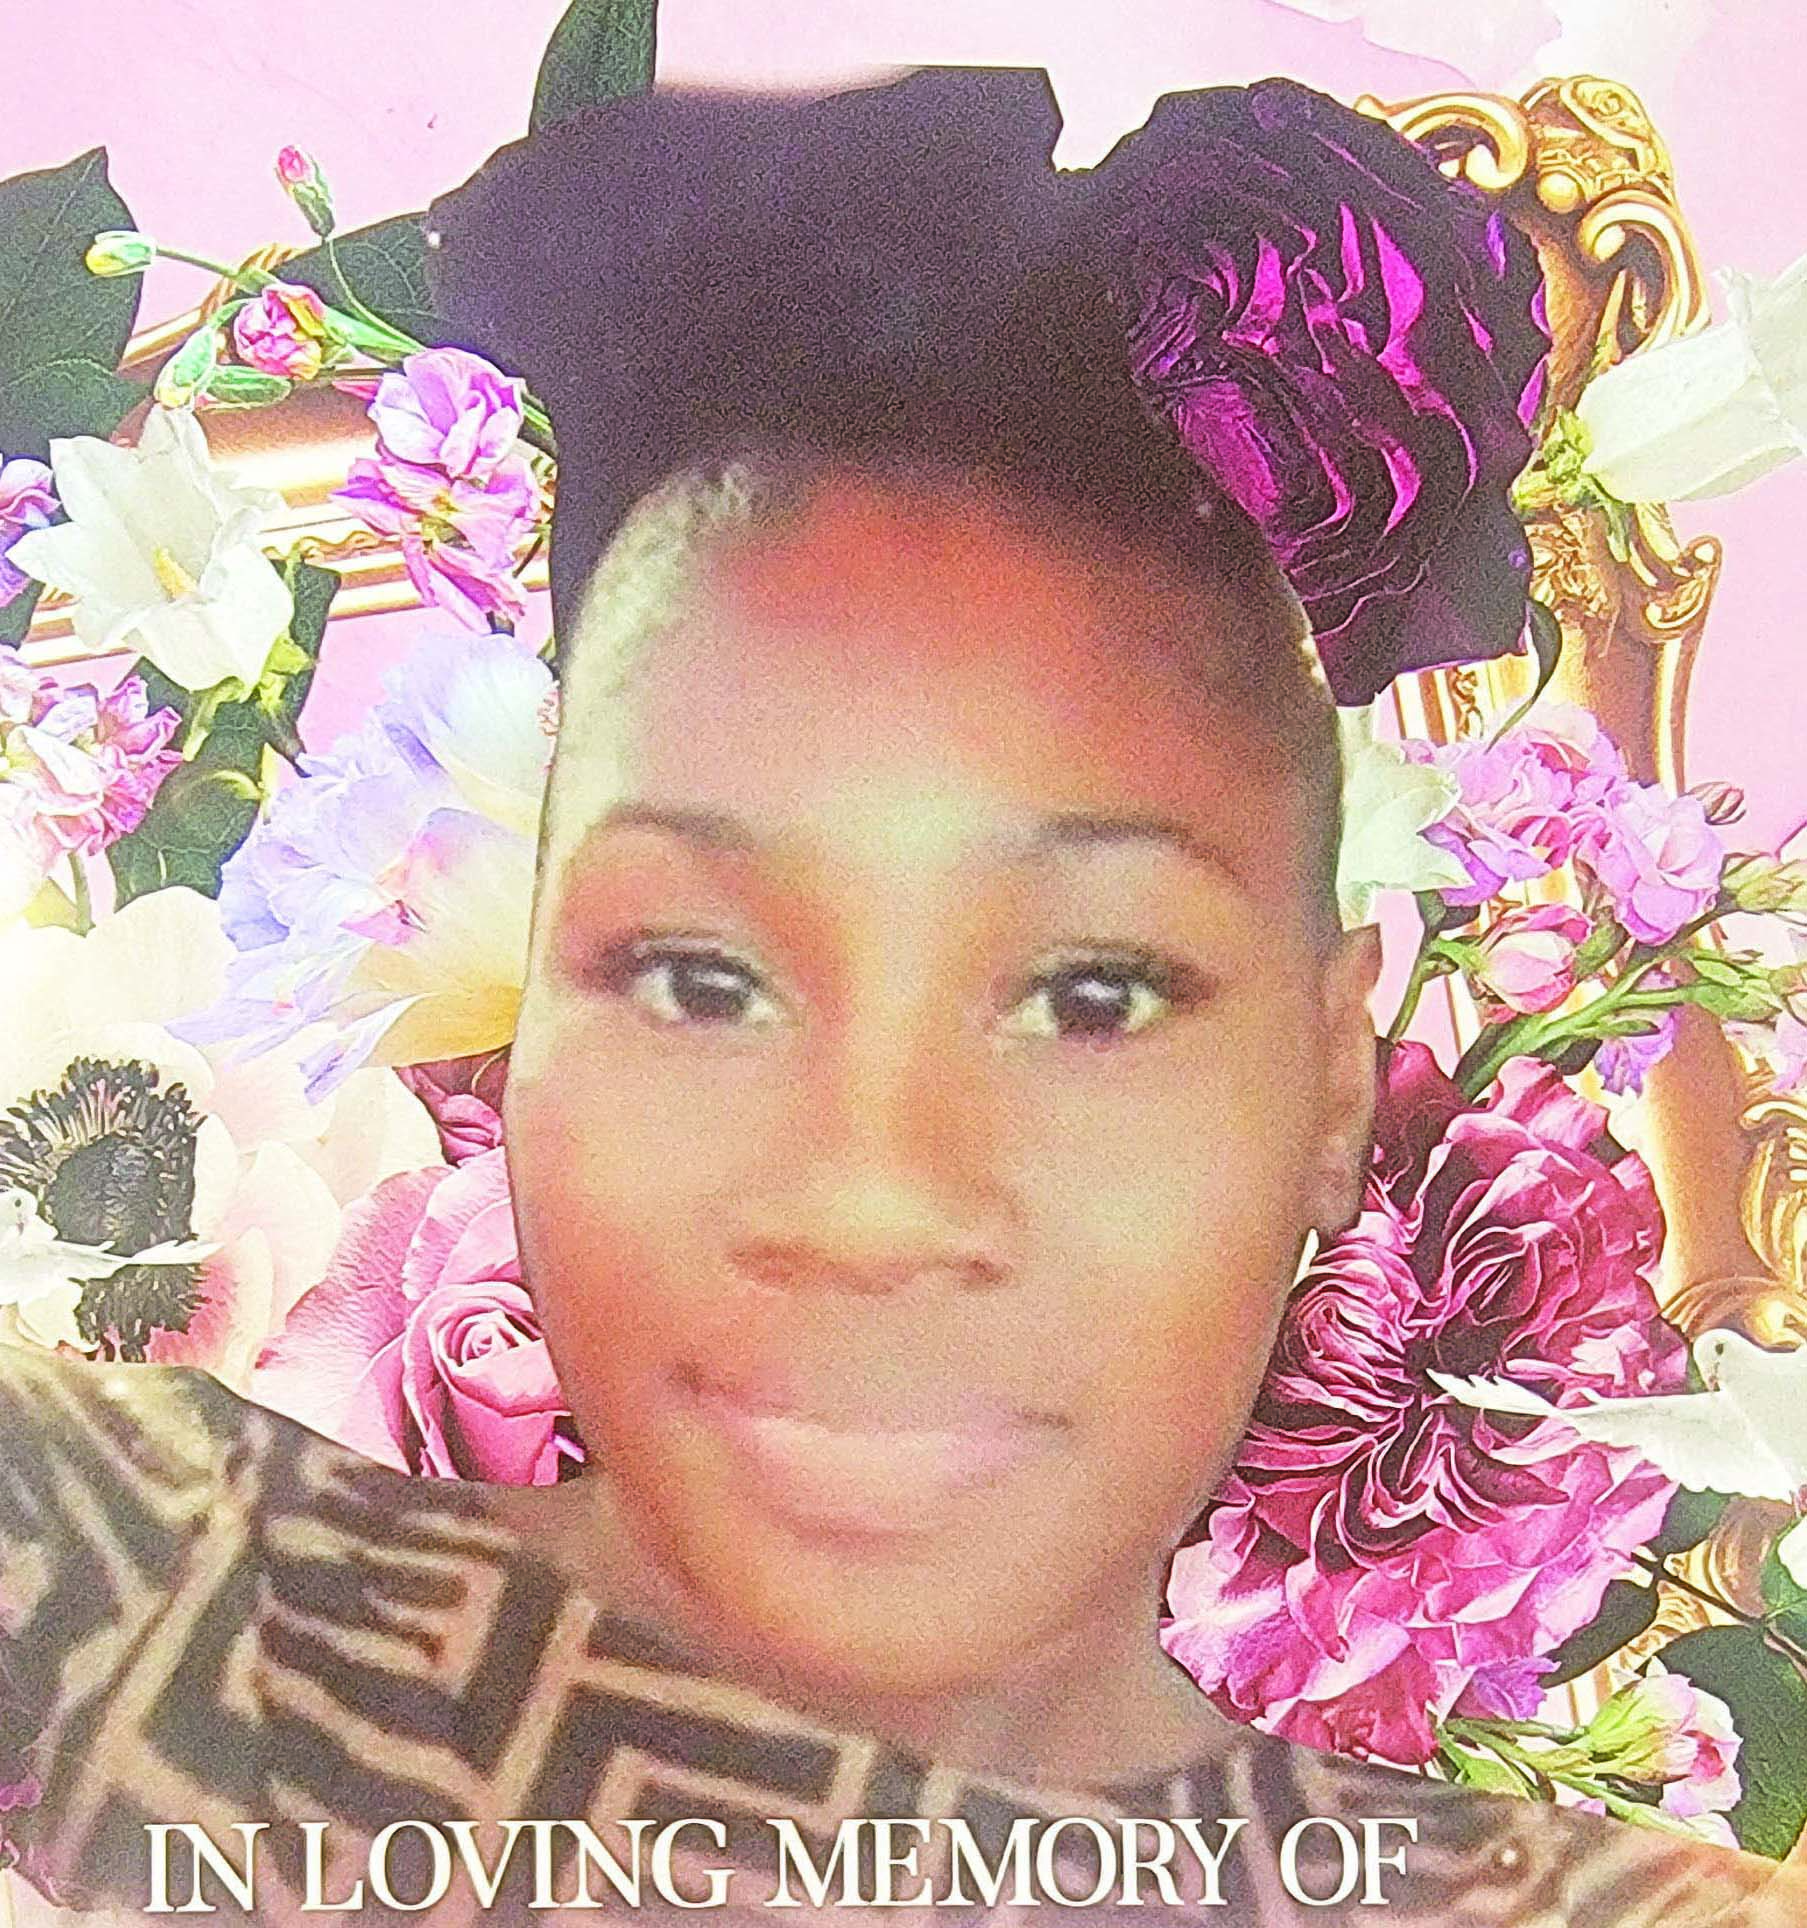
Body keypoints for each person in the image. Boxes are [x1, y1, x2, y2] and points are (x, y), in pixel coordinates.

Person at [4, 64, 1806, 1928]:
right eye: (698, 977)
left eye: (1093, 997)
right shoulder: (112, 1651)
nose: (872, 1195)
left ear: (1333, 1085)